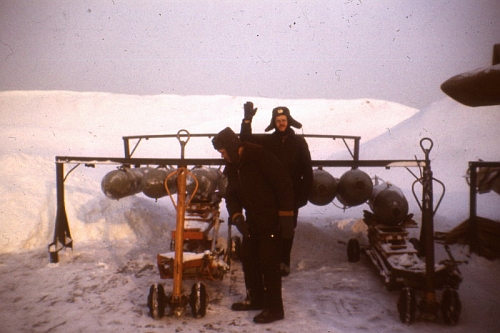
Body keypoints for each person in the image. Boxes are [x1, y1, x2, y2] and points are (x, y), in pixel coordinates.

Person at [212, 127, 295, 324]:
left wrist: (286, 218)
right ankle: (256, 299)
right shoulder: (233, 167)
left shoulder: (262, 158)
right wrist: (237, 215)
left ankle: (275, 309)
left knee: (269, 264)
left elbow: (284, 186)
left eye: (223, 152)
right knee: (249, 258)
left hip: (272, 221)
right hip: (252, 222)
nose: (223, 156)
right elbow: (231, 195)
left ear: (232, 147)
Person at [240, 102, 313, 276]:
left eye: (284, 119)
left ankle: (284, 261)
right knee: (273, 229)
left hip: (292, 196)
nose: (281, 123)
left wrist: (303, 197)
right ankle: (272, 261)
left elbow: (307, 171)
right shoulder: (267, 141)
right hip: (271, 196)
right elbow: (245, 141)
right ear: (274, 122)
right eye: (278, 120)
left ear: (289, 121)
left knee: (288, 229)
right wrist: (247, 121)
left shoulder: (299, 142)